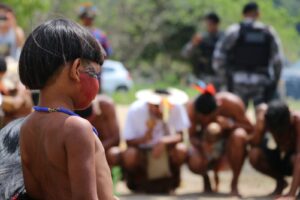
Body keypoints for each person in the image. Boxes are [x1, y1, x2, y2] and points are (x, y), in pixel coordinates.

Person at [18, 18, 115, 199]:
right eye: (95, 74)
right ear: (76, 69)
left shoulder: (26, 127)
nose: (97, 83)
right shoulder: (76, 128)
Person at [109, 88, 190, 193]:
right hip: (142, 152)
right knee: (129, 155)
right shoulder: (136, 109)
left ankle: (174, 180)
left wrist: (163, 142)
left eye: (164, 107)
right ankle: (135, 181)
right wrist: (145, 138)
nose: (160, 110)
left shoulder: (176, 107)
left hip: (166, 152)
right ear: (148, 104)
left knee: (181, 150)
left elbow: (180, 136)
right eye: (156, 106)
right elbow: (128, 141)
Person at [186, 84, 253, 196]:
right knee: (194, 160)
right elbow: (191, 136)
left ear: (218, 106)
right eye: (203, 118)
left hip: (228, 146)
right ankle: (206, 179)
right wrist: (203, 145)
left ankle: (234, 184)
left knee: (239, 135)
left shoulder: (232, 103)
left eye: (209, 116)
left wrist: (231, 125)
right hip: (205, 146)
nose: (206, 120)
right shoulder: (192, 108)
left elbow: (250, 128)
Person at [213, 2, 284, 107]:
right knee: (263, 117)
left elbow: (218, 57)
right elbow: (278, 60)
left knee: (236, 117)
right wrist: (274, 81)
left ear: (243, 14)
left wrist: (225, 79)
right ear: (258, 14)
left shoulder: (234, 31)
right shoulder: (268, 32)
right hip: (261, 83)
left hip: (237, 82)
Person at [249, 101, 300, 199]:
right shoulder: (266, 118)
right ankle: (281, 182)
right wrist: (258, 128)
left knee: (295, 158)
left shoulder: (297, 121)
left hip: (293, 161)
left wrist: (291, 194)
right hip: (280, 158)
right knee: (254, 154)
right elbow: (253, 143)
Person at [182, 12, 224, 90]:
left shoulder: (224, 37)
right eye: (208, 24)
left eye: (211, 23)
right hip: (205, 76)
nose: (209, 26)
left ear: (217, 24)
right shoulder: (201, 38)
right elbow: (185, 53)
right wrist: (193, 44)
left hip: (221, 76)